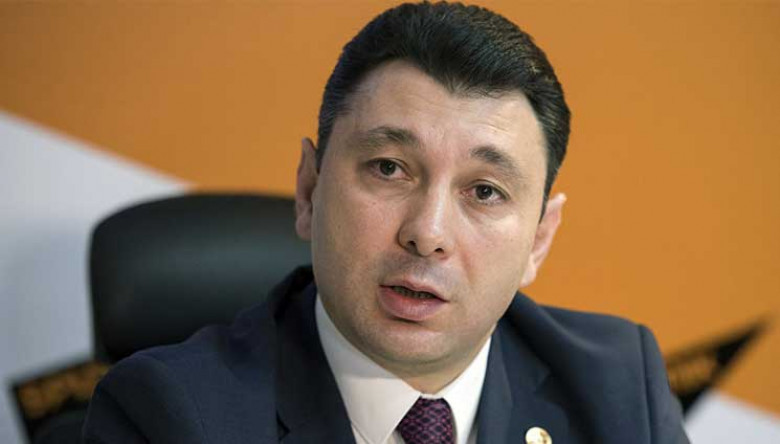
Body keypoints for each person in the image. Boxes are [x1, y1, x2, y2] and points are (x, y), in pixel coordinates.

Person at [83, 2, 689, 443]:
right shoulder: (171, 416)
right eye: (390, 168)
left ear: (539, 239)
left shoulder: (618, 389)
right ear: (309, 189)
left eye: (484, 191)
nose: (427, 233)